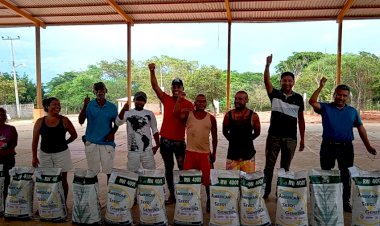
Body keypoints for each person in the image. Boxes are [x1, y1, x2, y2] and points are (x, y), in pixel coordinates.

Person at [309, 77, 377, 213]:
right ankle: (326, 201)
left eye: (344, 95)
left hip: (346, 147)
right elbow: (312, 101)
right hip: (328, 146)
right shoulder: (326, 108)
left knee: (346, 175)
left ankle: (345, 202)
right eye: (338, 94)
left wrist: (368, 146)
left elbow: (361, 128)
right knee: (326, 174)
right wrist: (320, 87)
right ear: (334, 94)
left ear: (348, 97)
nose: (341, 97)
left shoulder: (352, 112)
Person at [148, 63, 194, 204]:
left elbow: (189, 121)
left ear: (182, 89)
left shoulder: (188, 104)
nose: (175, 88)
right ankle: (172, 195)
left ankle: (182, 194)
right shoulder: (166, 99)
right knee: (168, 168)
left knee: (181, 168)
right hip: (166, 141)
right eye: (174, 87)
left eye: (178, 86)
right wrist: (152, 71)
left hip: (180, 142)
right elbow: (155, 87)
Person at [263, 54, 305, 199]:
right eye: (284, 80)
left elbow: (301, 120)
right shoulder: (274, 94)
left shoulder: (298, 98)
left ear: (293, 82)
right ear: (280, 82)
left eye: (289, 80)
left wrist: (302, 139)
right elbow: (266, 81)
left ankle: (280, 192)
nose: (287, 83)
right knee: (269, 167)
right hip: (274, 136)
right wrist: (267, 65)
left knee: (285, 168)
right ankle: (265, 191)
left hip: (291, 138)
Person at [174, 93, 217, 212]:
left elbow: (215, 137)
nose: (201, 103)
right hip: (190, 153)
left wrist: (214, 153)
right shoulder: (189, 115)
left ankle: (209, 200)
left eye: (203, 101)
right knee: (189, 179)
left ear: (206, 103)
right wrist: (179, 100)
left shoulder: (211, 118)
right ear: (195, 103)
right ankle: (190, 201)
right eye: (198, 101)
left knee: (207, 180)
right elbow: (176, 114)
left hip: (205, 154)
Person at [32, 98, 77, 202]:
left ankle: (62, 205)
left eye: (59, 104)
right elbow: (35, 141)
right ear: (47, 106)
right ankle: (46, 204)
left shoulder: (64, 120)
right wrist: (34, 157)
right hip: (45, 154)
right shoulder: (40, 121)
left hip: (62, 154)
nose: (57, 106)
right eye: (54, 104)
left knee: (62, 179)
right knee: (46, 179)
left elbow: (74, 135)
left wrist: (64, 143)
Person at [78, 82, 118, 183]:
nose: (100, 91)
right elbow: (81, 121)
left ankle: (110, 195)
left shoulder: (112, 107)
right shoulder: (89, 105)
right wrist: (84, 105)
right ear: (94, 92)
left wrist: (112, 132)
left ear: (105, 91)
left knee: (109, 171)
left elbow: (116, 123)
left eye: (102, 89)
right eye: (97, 89)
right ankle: (94, 196)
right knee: (92, 172)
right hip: (92, 143)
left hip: (107, 143)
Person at [115, 91, 160, 172]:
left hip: (147, 150)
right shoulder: (128, 113)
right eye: (138, 100)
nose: (140, 102)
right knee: (133, 175)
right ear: (134, 100)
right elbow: (118, 122)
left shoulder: (149, 114)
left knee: (151, 173)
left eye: (142, 100)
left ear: (145, 102)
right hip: (133, 151)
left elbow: (155, 130)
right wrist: (123, 110)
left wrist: (157, 145)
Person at [222, 91, 261, 173]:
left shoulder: (253, 116)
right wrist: (234, 141)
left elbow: (257, 132)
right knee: (232, 182)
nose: (236, 101)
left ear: (247, 100)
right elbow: (224, 132)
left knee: (247, 182)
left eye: (240, 99)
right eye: (235, 98)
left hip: (248, 156)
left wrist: (247, 141)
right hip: (232, 155)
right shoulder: (228, 115)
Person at [0, 107, 18, 206]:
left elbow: (14, 143)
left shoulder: (11, 128)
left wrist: (5, 151)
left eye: (3, 115)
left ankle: (6, 201)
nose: (1, 117)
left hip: (7, 158)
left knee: (6, 179)